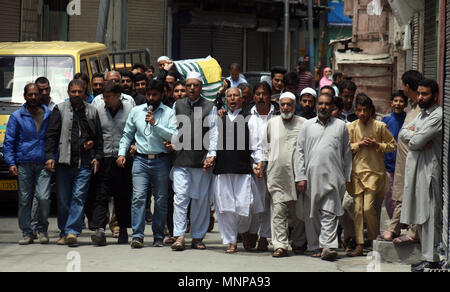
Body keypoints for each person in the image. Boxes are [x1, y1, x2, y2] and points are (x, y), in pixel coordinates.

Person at [117, 79, 177, 248]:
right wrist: (122, 153)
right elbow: (127, 135)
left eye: (155, 95)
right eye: (148, 94)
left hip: (161, 160)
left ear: (162, 95)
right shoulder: (136, 111)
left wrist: (155, 124)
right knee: (138, 198)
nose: (151, 98)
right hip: (140, 160)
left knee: (160, 199)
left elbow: (172, 136)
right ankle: (137, 235)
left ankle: (158, 235)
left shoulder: (168, 113)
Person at [45, 79, 103, 247]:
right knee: (63, 200)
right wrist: (49, 156)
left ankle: (72, 231)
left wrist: (97, 156)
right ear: (68, 92)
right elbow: (52, 135)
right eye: (73, 92)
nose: (77, 95)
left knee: (78, 197)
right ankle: (64, 231)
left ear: (85, 92)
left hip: (84, 163)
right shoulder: (60, 110)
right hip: (64, 162)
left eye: (80, 92)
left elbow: (98, 137)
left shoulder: (92, 111)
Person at [294, 93, 352, 261]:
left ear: (332, 106)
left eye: (327, 104)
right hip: (311, 178)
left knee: (330, 212)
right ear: (316, 105)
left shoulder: (341, 126)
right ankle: (315, 246)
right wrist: (300, 176)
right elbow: (299, 153)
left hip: (334, 178)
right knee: (311, 214)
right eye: (320, 104)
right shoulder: (307, 126)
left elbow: (346, 154)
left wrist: (347, 177)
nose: (323, 107)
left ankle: (328, 246)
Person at [169, 72, 218, 251]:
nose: (191, 88)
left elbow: (214, 132)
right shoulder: (177, 105)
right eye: (188, 85)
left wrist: (211, 155)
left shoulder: (209, 106)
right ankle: (179, 236)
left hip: (201, 162)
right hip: (181, 160)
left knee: (200, 201)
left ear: (201, 87)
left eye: (195, 85)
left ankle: (197, 237)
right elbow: (173, 128)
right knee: (180, 198)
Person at [399, 79, 443, 272]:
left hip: (429, 170)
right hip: (418, 169)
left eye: (424, 94)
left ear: (435, 95)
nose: (420, 97)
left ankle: (431, 258)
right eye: (418, 93)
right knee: (422, 214)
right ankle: (427, 256)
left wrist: (415, 136)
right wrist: (415, 135)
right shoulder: (422, 114)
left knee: (430, 214)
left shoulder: (437, 115)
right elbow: (403, 134)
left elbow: (416, 141)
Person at [213, 87, 263, 253]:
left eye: (236, 95)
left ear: (242, 99)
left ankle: (243, 230)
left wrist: (258, 163)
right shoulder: (219, 118)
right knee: (226, 207)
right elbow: (212, 142)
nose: (233, 98)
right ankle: (231, 240)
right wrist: (210, 157)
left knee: (246, 204)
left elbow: (256, 145)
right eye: (229, 96)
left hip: (243, 169)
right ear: (226, 100)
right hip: (223, 168)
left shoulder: (251, 119)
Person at [346, 94, 397, 257]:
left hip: (374, 172)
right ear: (356, 111)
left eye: (365, 110)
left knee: (368, 208)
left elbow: (392, 145)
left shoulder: (380, 126)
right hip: (357, 172)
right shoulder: (352, 127)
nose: (362, 114)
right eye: (359, 110)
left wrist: (378, 145)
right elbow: (346, 148)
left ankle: (375, 240)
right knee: (358, 210)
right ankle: (360, 243)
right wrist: (358, 144)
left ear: (370, 111)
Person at [4, 83, 52, 245]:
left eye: (36, 94)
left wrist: (53, 157)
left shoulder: (48, 114)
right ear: (25, 96)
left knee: (43, 197)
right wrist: (11, 163)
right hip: (24, 163)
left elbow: (53, 139)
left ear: (40, 95)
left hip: (43, 162)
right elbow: (9, 141)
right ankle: (27, 232)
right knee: (25, 199)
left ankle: (42, 228)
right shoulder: (17, 116)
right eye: (30, 94)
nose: (33, 97)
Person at [89, 81, 135, 246]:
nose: (105, 100)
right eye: (104, 97)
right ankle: (99, 230)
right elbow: (94, 134)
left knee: (122, 195)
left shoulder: (130, 107)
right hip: (104, 157)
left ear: (117, 96)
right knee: (101, 194)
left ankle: (122, 229)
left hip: (124, 158)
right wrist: (95, 155)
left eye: (108, 97)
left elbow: (134, 130)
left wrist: (133, 146)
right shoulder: (98, 109)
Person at [382, 70, 424, 243]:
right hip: (401, 161)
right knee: (399, 195)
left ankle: (412, 232)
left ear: (407, 86)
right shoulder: (413, 107)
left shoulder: (420, 110)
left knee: (413, 195)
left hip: (414, 161)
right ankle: (394, 228)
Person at [264, 92, 307, 257]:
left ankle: (298, 242)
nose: (285, 108)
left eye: (289, 104)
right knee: (278, 211)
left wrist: (303, 176)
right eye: (282, 104)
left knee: (298, 213)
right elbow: (264, 147)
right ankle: (280, 245)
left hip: (297, 176)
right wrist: (260, 164)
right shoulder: (272, 123)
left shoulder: (303, 124)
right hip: (277, 174)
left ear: (294, 106)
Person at [241, 82, 279, 252]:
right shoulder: (246, 115)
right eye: (258, 94)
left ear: (270, 96)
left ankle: (264, 236)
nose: (261, 97)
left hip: (274, 163)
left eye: (264, 94)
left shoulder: (277, 115)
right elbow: (242, 144)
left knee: (269, 202)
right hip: (252, 163)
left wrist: (267, 163)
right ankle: (251, 232)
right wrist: (253, 165)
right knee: (253, 202)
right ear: (253, 96)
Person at [381, 91, 407, 219]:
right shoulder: (385, 121)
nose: (398, 104)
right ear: (391, 103)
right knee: (390, 196)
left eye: (401, 101)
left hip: (404, 164)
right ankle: (393, 221)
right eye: (395, 101)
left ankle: (402, 221)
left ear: (405, 104)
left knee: (402, 195)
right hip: (389, 165)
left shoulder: (408, 119)